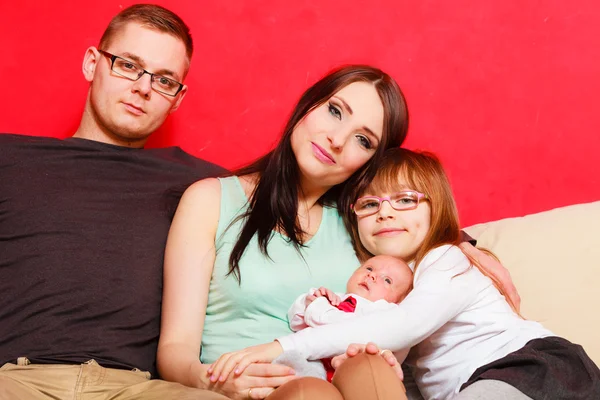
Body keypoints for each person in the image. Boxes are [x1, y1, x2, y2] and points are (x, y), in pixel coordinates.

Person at [212, 148, 600, 400]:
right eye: (369, 204)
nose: (386, 212)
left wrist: (282, 347)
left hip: (528, 367)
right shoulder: (387, 283)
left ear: (436, 209)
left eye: (405, 199)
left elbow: (406, 326)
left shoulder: (447, 258)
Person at [0, 4, 229, 400]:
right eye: (127, 65)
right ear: (93, 63)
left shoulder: (207, 185)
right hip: (13, 379)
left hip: (139, 388)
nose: (143, 87)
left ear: (177, 98)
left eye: (163, 80)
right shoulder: (9, 157)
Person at [157, 64, 411, 400]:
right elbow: (175, 349)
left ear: (371, 162)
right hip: (242, 391)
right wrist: (211, 380)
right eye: (334, 111)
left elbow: (425, 244)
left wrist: (470, 251)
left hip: (342, 387)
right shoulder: (211, 200)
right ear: (308, 105)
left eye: (362, 140)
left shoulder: (363, 225)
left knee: (370, 367)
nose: (336, 140)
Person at [276, 255, 413, 381]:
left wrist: (317, 307)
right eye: (369, 268)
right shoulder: (334, 298)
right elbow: (295, 322)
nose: (372, 275)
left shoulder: (382, 311)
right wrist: (308, 301)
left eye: (387, 280)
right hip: (315, 365)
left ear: (398, 302)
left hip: (354, 372)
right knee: (293, 362)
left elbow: (338, 325)